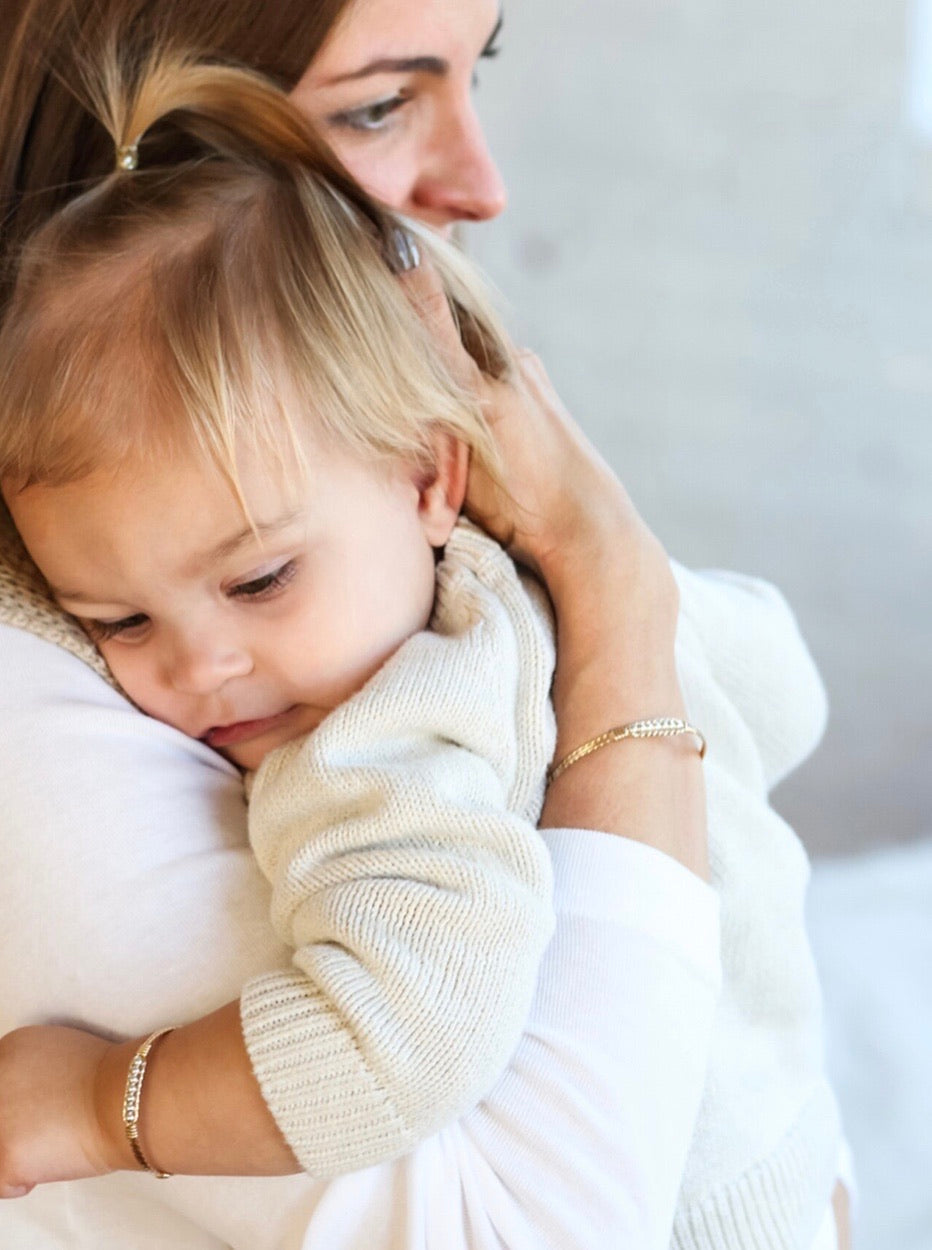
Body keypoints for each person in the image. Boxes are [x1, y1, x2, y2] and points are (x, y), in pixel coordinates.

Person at [0, 2, 847, 1248]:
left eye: (258, 581)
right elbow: (771, 683)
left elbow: (396, 1027)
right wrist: (616, 590)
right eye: (382, 103)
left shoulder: (396, 708)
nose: (192, 668)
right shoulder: (414, 614)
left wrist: (95, 1098)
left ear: (427, 477)